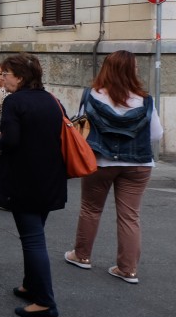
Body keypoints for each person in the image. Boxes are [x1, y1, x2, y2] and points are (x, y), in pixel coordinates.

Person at [65, 50, 163, 284]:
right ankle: (128, 270)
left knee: (91, 209)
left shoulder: (91, 96)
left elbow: (80, 127)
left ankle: (82, 255)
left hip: (100, 162)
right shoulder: (145, 100)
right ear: (132, 71)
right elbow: (157, 134)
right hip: (138, 164)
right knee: (130, 217)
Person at [0, 53, 67, 317]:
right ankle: (29, 285)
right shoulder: (52, 100)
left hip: (24, 179)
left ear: (20, 78)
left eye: (7, 74)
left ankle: (45, 303)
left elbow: (12, 140)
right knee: (35, 233)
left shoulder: (14, 102)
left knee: (33, 239)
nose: (3, 79)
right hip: (50, 177)